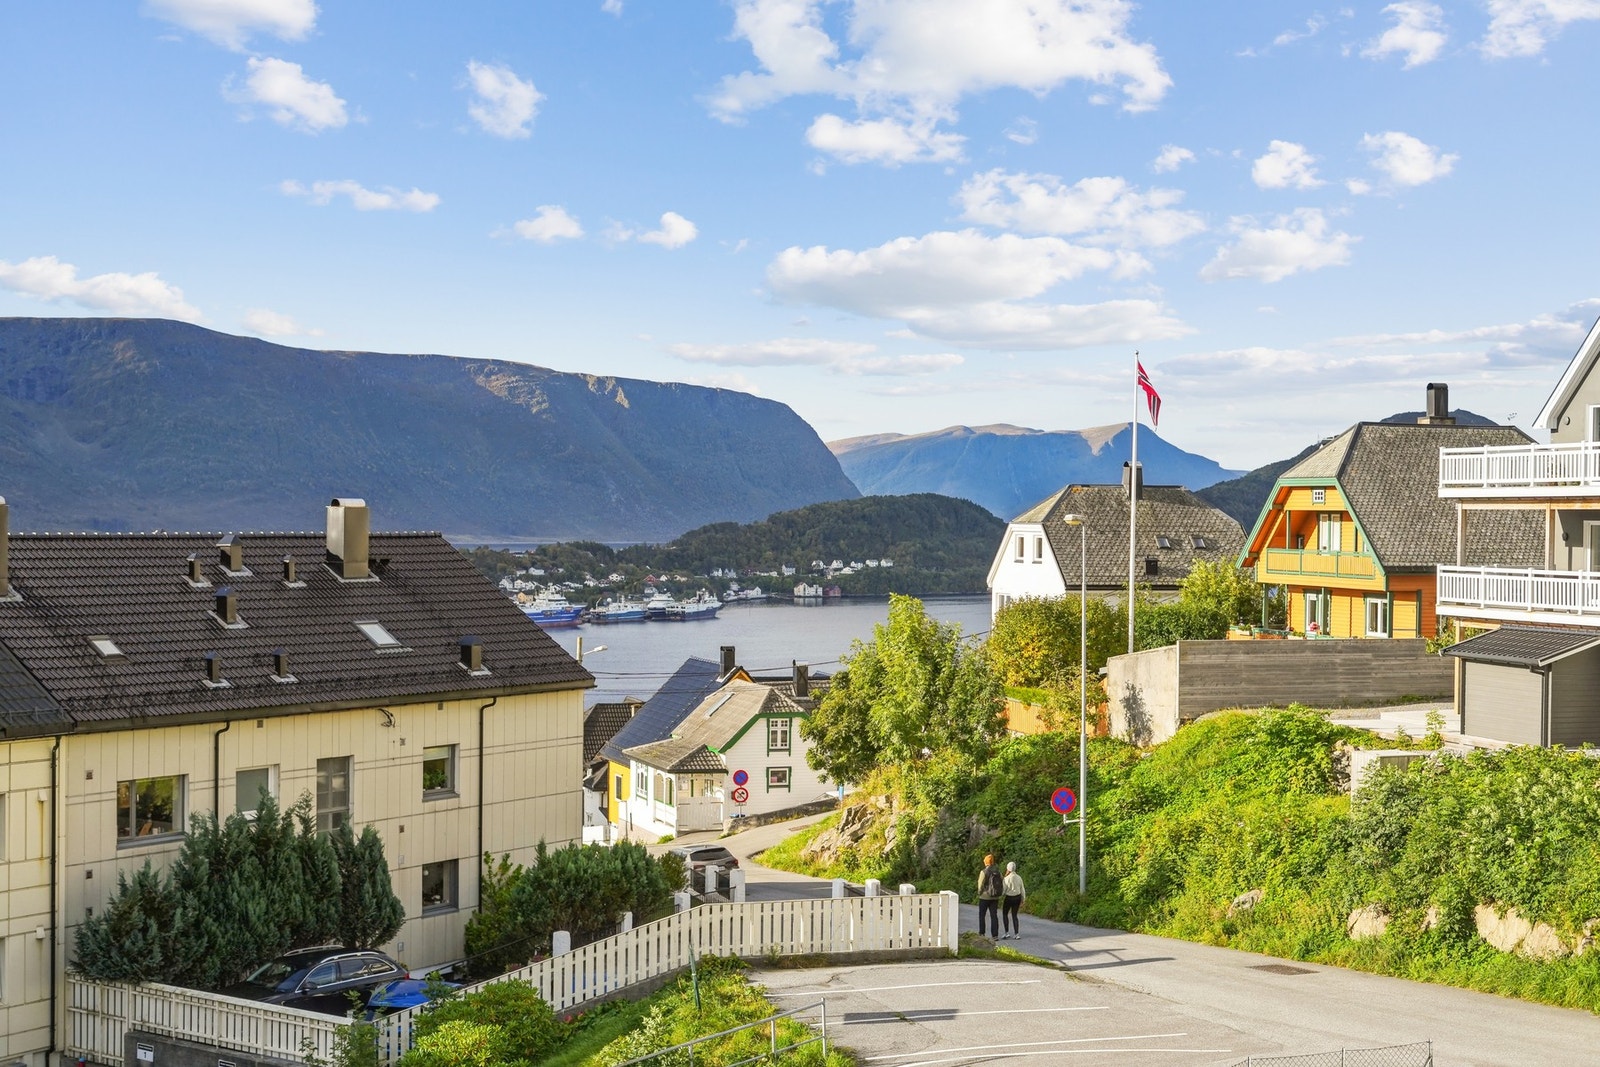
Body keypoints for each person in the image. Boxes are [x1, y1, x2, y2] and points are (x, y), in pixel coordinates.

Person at [976, 854, 1002, 939]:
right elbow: (1001, 882)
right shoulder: (997, 872)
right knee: (994, 915)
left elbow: (980, 884)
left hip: (984, 897)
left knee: (982, 915)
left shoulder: (983, 872)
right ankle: (995, 935)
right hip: (995, 897)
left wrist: (980, 893)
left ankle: (982, 933)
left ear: (986, 862)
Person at [1001, 861, 1026, 939]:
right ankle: (1016, 934)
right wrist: (1023, 899)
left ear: (1008, 869)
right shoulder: (1019, 877)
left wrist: (999, 896)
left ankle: (1007, 933)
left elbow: (1003, 890)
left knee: (1005, 914)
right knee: (1014, 915)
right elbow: (1022, 889)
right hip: (1017, 898)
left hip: (1009, 898)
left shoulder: (1006, 878)